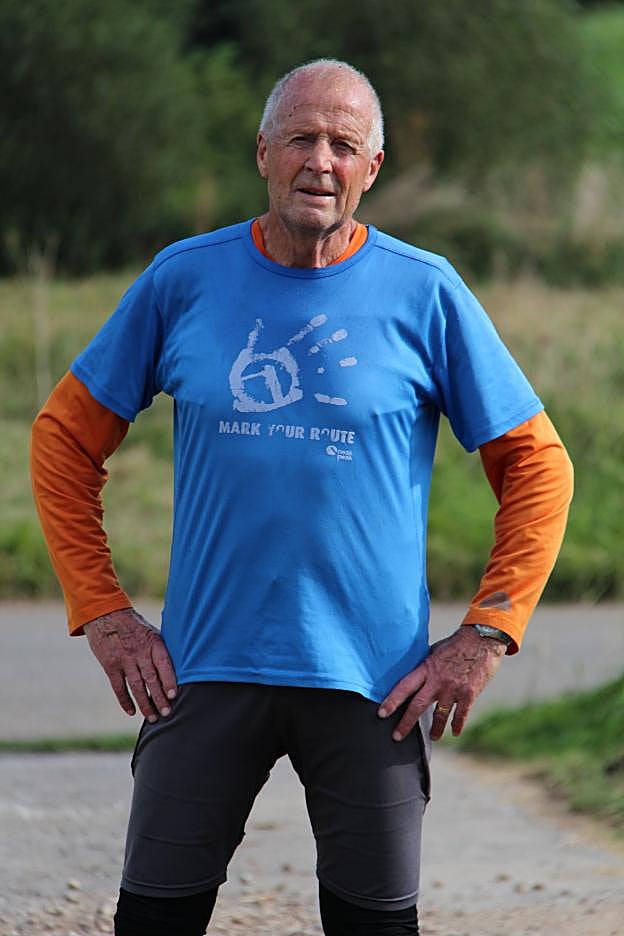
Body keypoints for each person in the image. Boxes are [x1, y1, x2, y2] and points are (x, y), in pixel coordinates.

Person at [31, 59, 573, 936]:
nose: (321, 161)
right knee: (154, 919)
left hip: (374, 684)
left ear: (373, 168)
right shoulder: (183, 279)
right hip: (203, 671)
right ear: (263, 152)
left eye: (343, 145)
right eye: (301, 139)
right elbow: (63, 439)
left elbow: (539, 466)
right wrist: (103, 611)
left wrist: (486, 633)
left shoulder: (425, 291)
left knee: (375, 925)